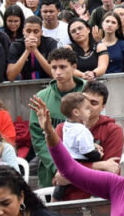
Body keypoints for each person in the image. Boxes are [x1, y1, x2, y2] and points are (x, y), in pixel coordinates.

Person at [53, 81, 124, 200]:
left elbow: (110, 173)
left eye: (94, 103)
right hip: (69, 199)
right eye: (85, 101)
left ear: (103, 107)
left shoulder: (113, 130)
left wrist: (71, 174)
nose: (88, 107)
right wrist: (99, 165)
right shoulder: (62, 129)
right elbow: (60, 176)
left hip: (101, 199)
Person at [28, 47, 87, 188]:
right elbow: (38, 138)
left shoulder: (88, 91)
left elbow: (97, 127)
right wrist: (57, 167)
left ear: (74, 67)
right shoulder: (41, 97)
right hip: (52, 169)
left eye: (62, 67)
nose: (58, 72)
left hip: (85, 163)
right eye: (53, 67)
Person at [52, 92, 102, 201]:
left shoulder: (66, 125)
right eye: (87, 108)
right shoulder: (82, 130)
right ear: (76, 112)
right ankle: (96, 201)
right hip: (78, 163)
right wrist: (98, 155)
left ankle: (53, 202)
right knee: (96, 181)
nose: (90, 111)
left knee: (60, 187)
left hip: (67, 161)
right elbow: (87, 152)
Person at [5, 15, 57, 81]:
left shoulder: (50, 43)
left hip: (47, 84)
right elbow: (11, 76)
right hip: (23, 87)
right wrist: (27, 51)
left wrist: (35, 50)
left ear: (41, 32)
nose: (32, 35)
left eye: (36, 32)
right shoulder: (16, 45)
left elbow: (54, 73)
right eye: (28, 31)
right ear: (23, 31)